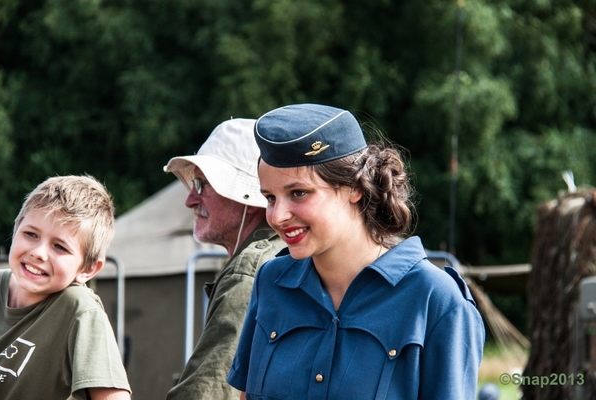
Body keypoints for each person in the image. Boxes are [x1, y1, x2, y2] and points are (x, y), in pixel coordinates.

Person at [227, 104, 485, 399]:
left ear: (354, 187)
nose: (277, 216)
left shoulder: (436, 300)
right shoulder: (270, 282)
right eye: (270, 197)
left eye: (298, 193)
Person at [164, 118, 285, 400]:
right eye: (193, 184)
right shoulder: (281, 252)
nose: (190, 200)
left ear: (248, 197)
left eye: (203, 184)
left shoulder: (250, 270)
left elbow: (208, 393)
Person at [0, 175, 131, 400]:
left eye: (59, 247)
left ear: (87, 268)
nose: (38, 253)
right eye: (30, 234)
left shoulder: (80, 309)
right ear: (16, 228)